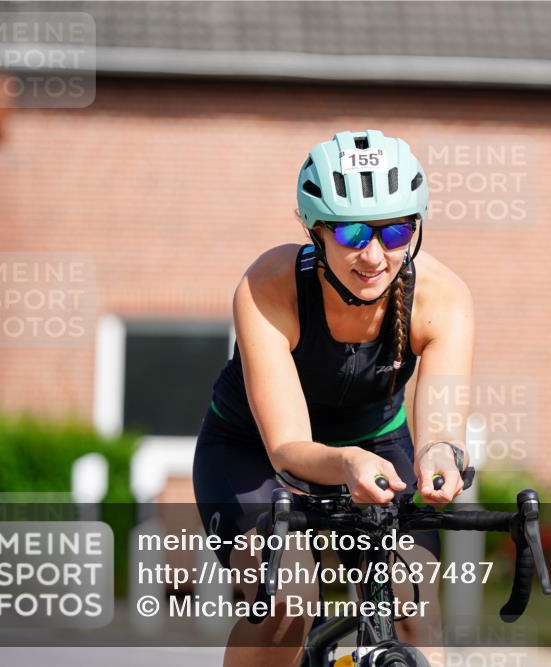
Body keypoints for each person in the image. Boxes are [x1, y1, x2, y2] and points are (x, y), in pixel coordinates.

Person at [193, 129, 475, 667]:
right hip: (253, 453)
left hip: (375, 447)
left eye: (394, 233)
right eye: (350, 233)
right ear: (313, 230)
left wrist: (441, 455)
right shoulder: (269, 285)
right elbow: (289, 447)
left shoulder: (443, 297)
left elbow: (441, 429)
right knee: (288, 598)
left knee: (416, 601)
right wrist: (345, 461)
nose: (373, 256)